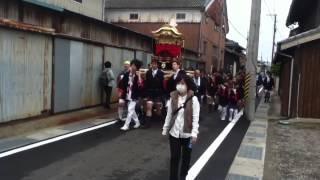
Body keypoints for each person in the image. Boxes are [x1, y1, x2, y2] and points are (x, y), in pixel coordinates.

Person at [162, 75, 200, 180]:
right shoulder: (172, 97)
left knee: (186, 157)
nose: (180, 85)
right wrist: (165, 128)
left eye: (183, 83)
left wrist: (194, 133)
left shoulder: (194, 99)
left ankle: (183, 176)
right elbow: (169, 114)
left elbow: (195, 118)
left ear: (188, 85)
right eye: (178, 83)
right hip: (174, 132)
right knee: (174, 157)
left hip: (187, 133)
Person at [118, 59, 144, 131]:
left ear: (137, 67)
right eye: (132, 65)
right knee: (132, 110)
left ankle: (126, 125)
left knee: (130, 109)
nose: (133, 67)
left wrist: (139, 76)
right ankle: (137, 122)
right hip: (127, 94)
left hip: (134, 95)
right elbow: (122, 83)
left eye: (134, 66)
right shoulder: (127, 74)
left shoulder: (138, 75)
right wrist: (120, 92)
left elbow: (140, 86)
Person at [143, 59, 165, 128]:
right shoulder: (148, 72)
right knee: (149, 107)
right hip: (150, 93)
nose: (154, 65)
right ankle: (147, 124)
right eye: (153, 64)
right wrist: (145, 94)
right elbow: (146, 84)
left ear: (157, 65)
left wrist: (162, 95)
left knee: (158, 110)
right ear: (151, 65)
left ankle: (163, 119)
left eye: (155, 64)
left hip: (158, 93)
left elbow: (162, 85)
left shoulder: (161, 73)